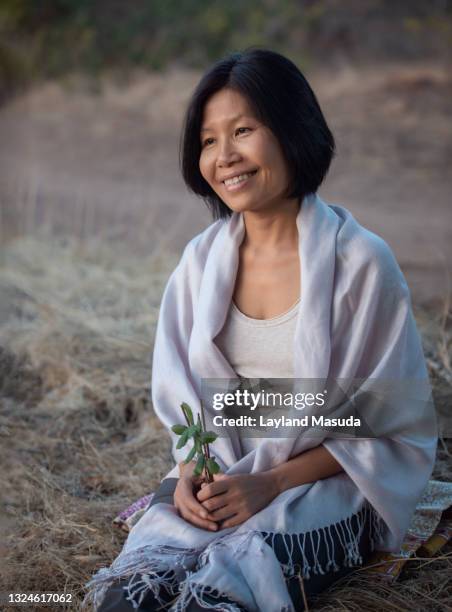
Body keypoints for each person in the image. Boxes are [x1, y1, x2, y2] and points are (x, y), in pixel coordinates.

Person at [85, 48, 437, 612]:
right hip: (223, 470)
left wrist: (270, 484)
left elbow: (382, 416)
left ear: (292, 130)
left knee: (217, 599)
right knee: (129, 596)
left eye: (243, 130)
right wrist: (190, 476)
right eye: (206, 140)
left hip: (323, 484)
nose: (224, 157)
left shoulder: (362, 263)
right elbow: (187, 404)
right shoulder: (199, 263)